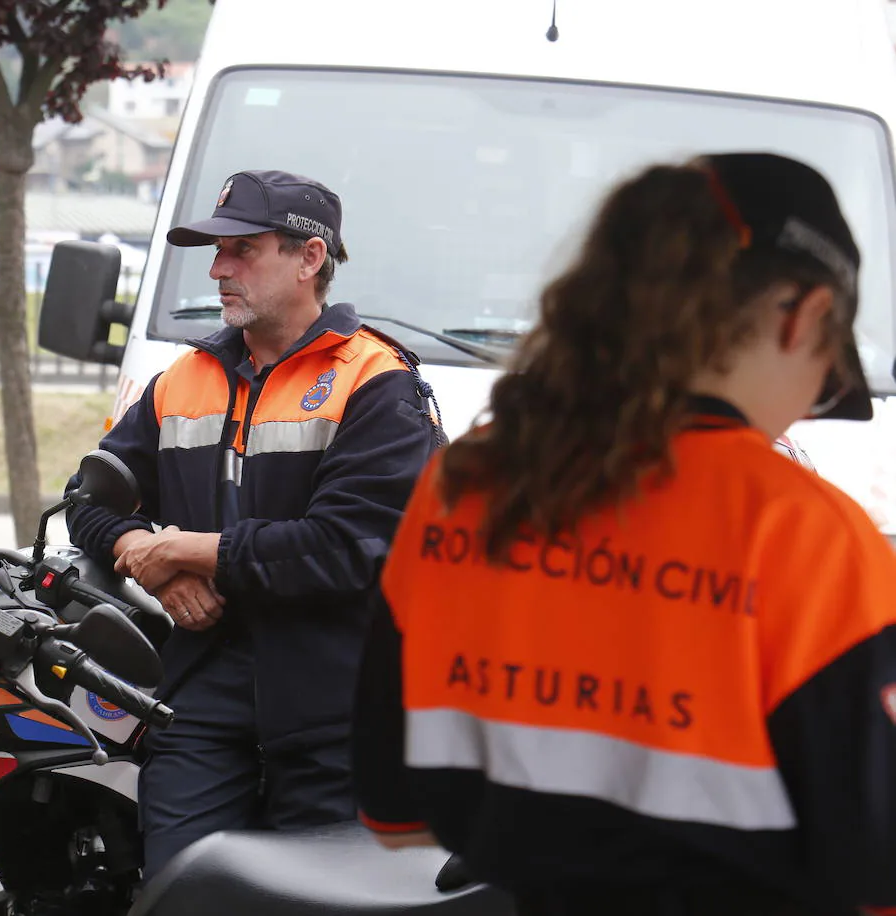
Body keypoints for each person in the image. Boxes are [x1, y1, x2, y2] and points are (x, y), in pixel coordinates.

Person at [351, 152, 896, 916]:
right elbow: (874, 869)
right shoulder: (808, 533)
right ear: (803, 316)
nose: (812, 401)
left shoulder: (466, 486)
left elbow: (394, 806)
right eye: (829, 374)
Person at [64, 169, 444, 879]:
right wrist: (147, 554)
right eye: (215, 252)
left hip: (339, 709)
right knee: (179, 890)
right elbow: (86, 498)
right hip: (202, 700)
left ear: (310, 259)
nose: (218, 268)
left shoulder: (377, 383)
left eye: (242, 249)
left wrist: (190, 549)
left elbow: (348, 550)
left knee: (326, 900)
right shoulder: (183, 378)